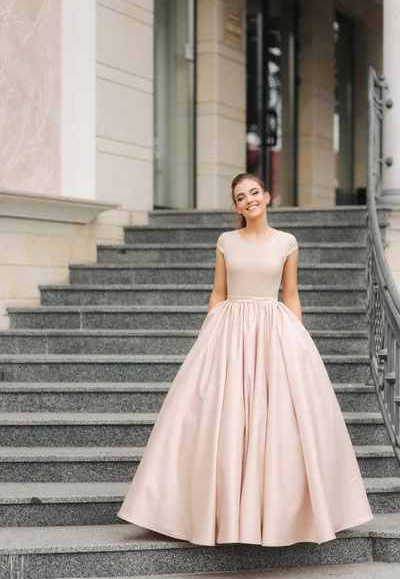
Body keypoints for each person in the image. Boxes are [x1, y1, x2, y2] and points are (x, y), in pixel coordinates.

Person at [117, 172, 373, 547]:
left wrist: (298, 340)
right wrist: (208, 334)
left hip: (274, 330)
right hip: (229, 330)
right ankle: (194, 511)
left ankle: (289, 514)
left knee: (278, 422)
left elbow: (291, 294)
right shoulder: (226, 241)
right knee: (216, 416)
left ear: (267, 197)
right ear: (235, 206)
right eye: (241, 196)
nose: (249, 199)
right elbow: (218, 291)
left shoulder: (287, 242)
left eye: (255, 192)